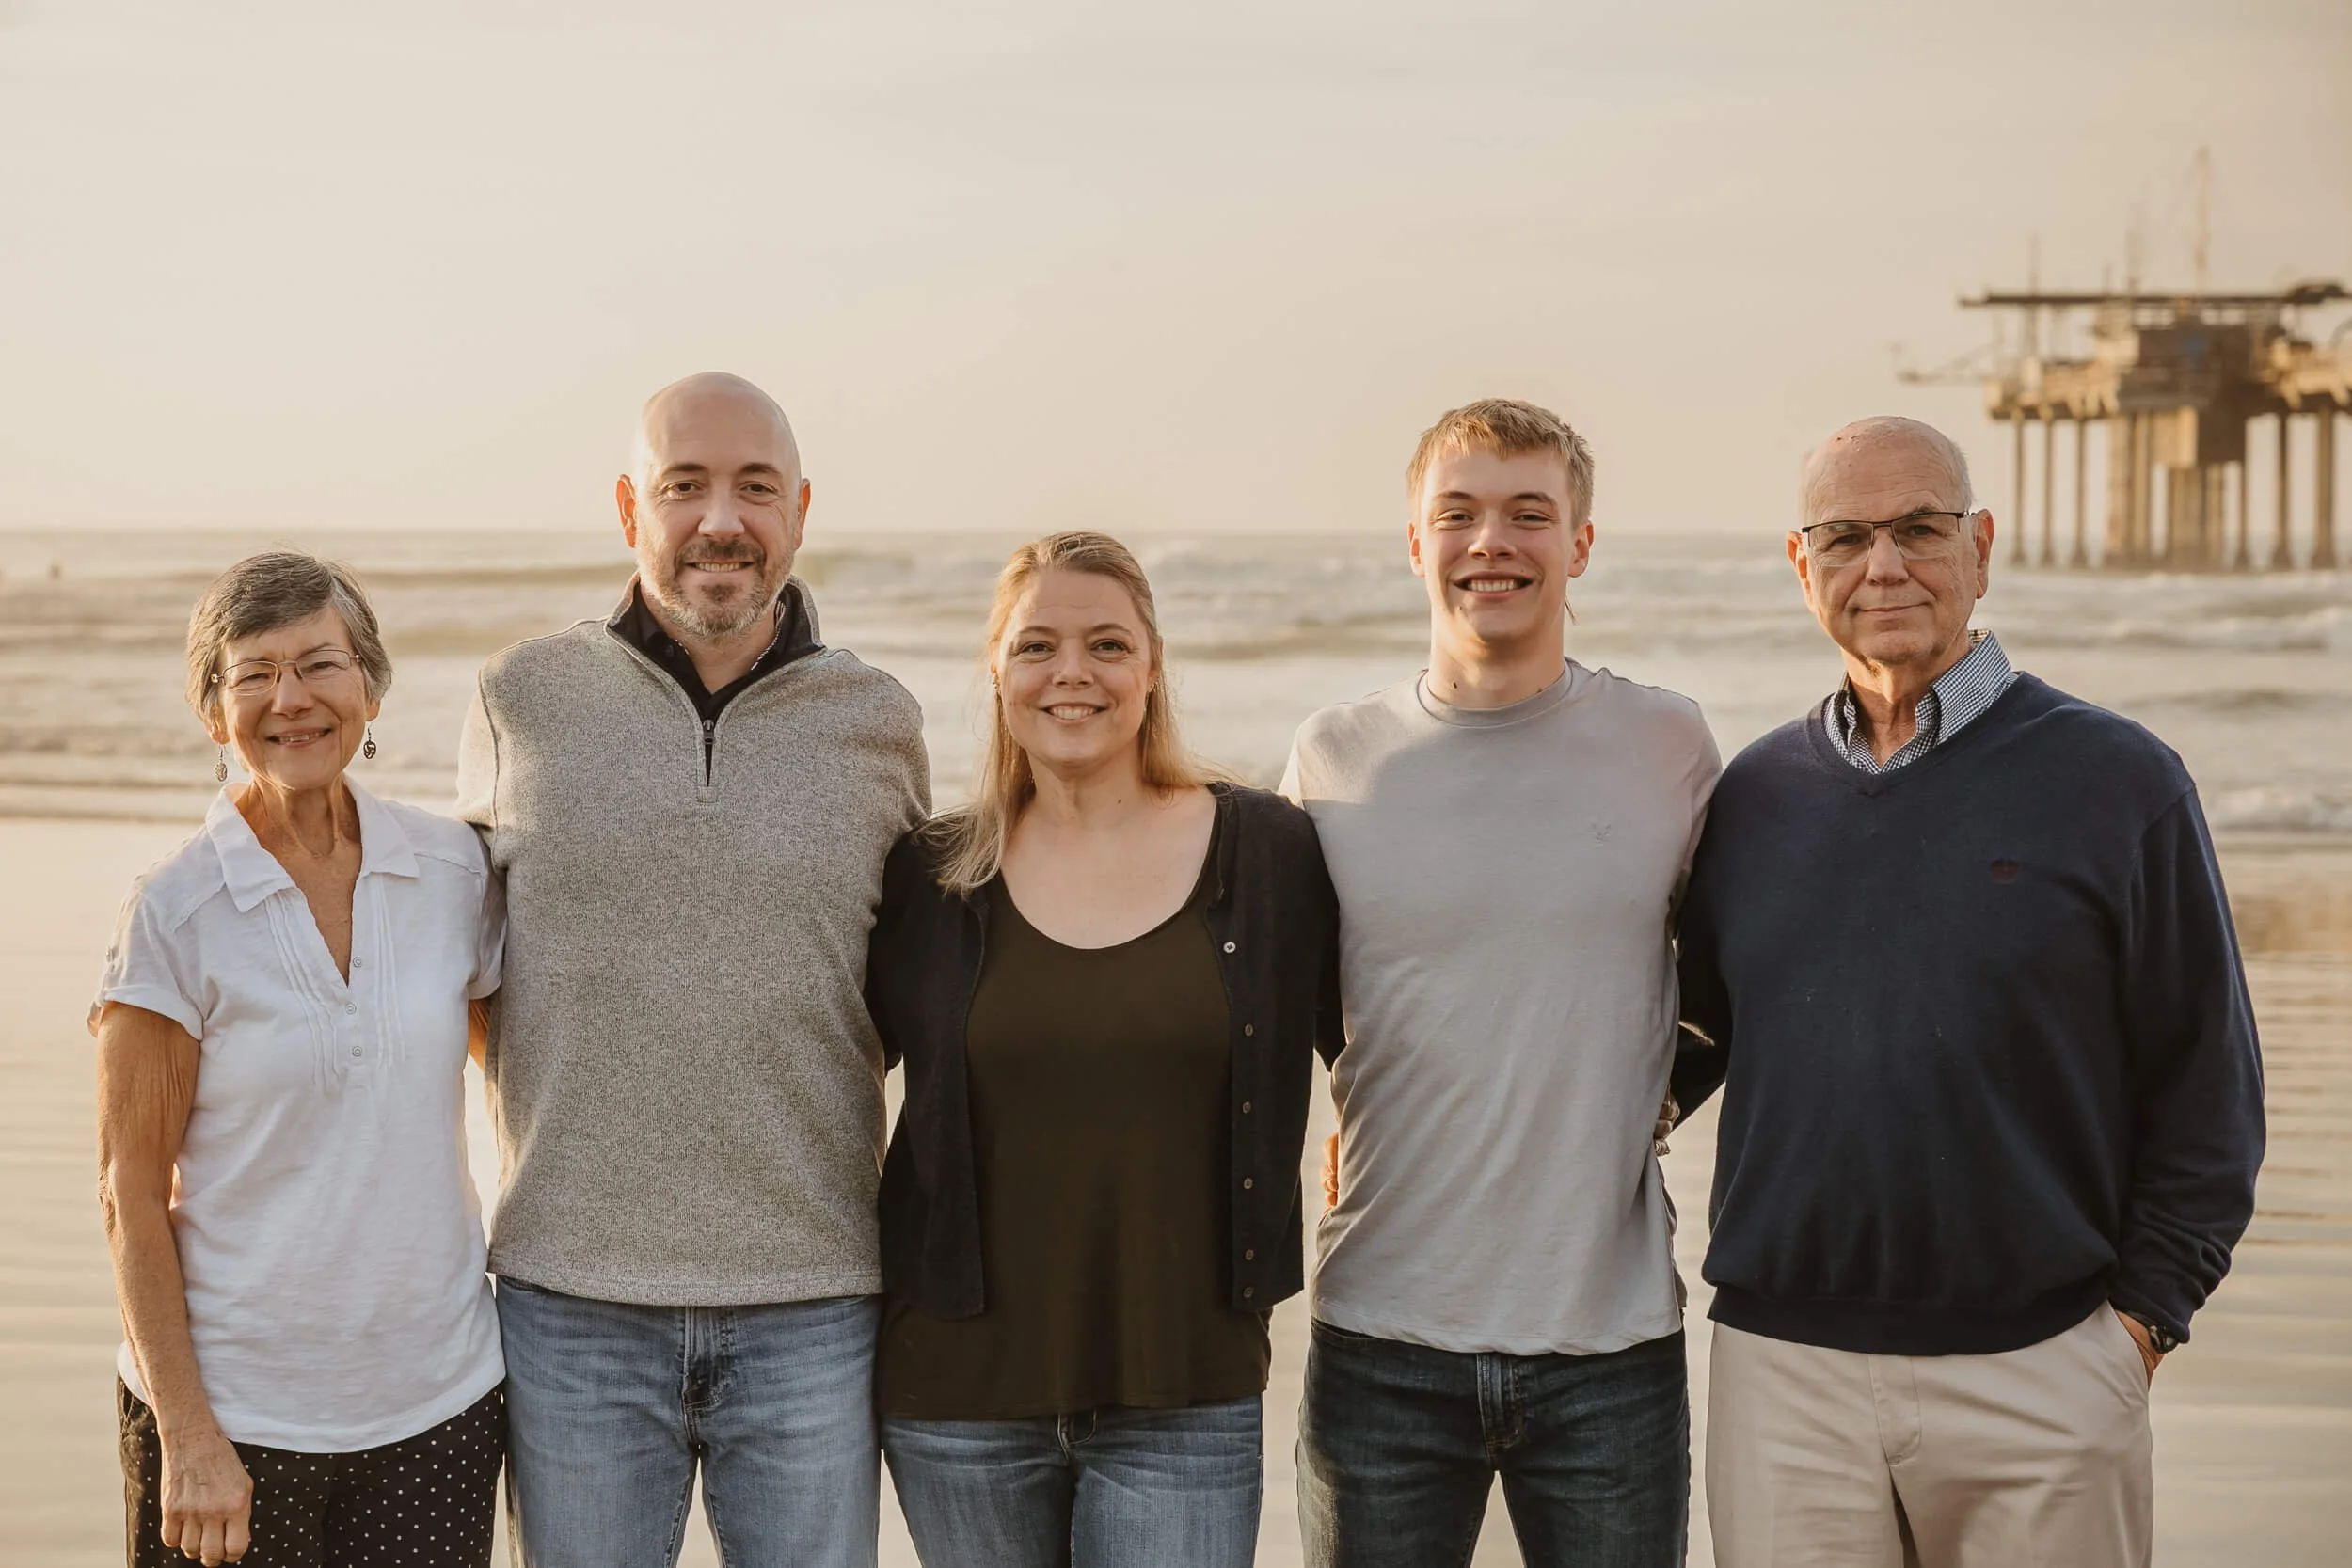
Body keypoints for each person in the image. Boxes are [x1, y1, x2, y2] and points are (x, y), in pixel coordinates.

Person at [1671, 414, 2266, 1568]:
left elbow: (2208, 1084)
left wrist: (2136, 1329)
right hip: (1785, 1376)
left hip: (2042, 1369)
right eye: (1845, 535)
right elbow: (1674, 1043)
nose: (1882, 565)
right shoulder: (1751, 798)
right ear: (1803, 566)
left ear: (1979, 547)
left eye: (1917, 529)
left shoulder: (2119, 780)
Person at [454, 372, 930, 1566]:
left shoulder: (880, 720)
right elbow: (462, 973)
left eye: (755, 487)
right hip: (570, 1299)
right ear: (630, 508)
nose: (721, 519)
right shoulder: (521, 697)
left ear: (801, 511)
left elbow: (917, 993)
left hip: (815, 1298)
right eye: (685, 487)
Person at [1284, 399, 1720, 1566]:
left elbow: (1726, 986)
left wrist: (1650, 1100)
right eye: (1459, 514)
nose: (1493, 542)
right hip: (1379, 1335)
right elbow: (1301, 1001)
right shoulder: (1333, 756)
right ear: (1413, 539)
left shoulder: (1668, 744)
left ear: (1579, 541)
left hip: (1610, 1347)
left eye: (1530, 513)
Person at [865, 531, 1340, 1568]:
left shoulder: (1265, 851)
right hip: (958, 1398)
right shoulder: (930, 874)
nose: (1071, 672)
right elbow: (828, 1080)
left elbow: (1374, 1053)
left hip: (1187, 1386)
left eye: (1106, 644)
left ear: (1152, 666)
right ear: (996, 671)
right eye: (1036, 645)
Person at [92, 552, 506, 1568]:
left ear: (369, 682)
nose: (291, 700)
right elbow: (129, 1192)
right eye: (253, 674)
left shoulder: (454, 869)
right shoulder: (174, 913)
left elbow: (518, 1085)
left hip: (438, 1405)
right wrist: (189, 1434)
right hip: (235, 1423)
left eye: (320, 664)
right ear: (213, 710)